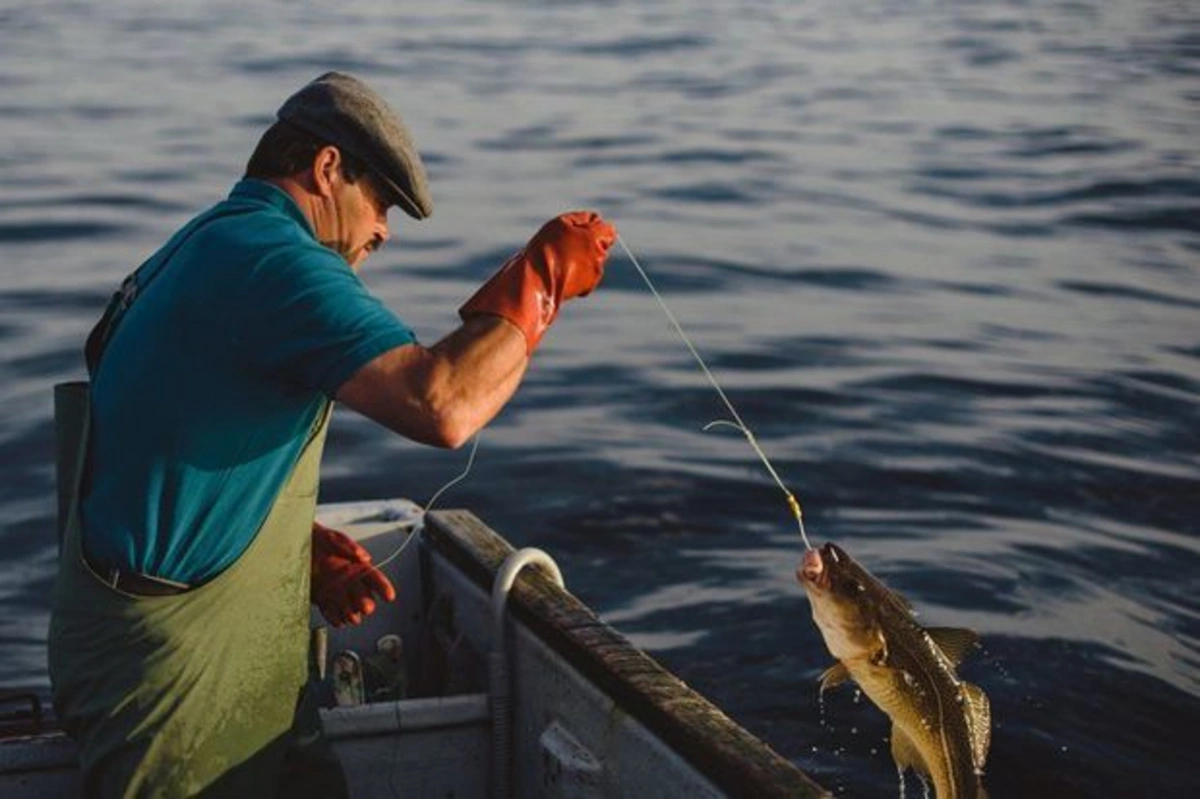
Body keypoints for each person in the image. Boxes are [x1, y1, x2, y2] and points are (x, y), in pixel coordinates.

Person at [48, 71, 616, 797]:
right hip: (178, 676)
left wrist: (288, 549)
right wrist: (541, 277)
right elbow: (442, 404)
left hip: (222, 648)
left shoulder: (202, 244)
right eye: (380, 202)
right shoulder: (274, 260)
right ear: (326, 169)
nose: (383, 230)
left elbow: (160, 431)